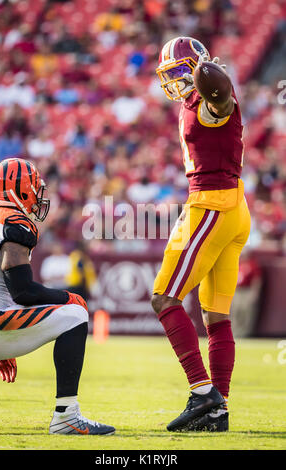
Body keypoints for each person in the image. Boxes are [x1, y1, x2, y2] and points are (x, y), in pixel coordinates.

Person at [151, 37, 251, 432]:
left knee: (164, 298)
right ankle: (217, 410)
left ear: (197, 67)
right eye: (170, 75)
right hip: (233, 207)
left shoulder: (209, 101)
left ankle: (202, 392)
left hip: (212, 205)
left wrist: (213, 80)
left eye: (180, 72)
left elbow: (222, 102)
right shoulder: (192, 103)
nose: (175, 81)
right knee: (216, 315)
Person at [0, 158, 115, 436]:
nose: (37, 195)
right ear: (17, 191)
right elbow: (22, 291)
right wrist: (67, 297)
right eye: (33, 188)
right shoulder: (14, 222)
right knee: (76, 313)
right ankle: (66, 416)